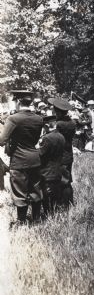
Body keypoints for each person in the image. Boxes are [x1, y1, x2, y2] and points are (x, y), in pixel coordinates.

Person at [0, 90, 44, 225]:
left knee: (20, 192)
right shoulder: (38, 118)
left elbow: (2, 140)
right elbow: (35, 139)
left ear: (18, 101)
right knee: (36, 190)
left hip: (19, 160)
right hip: (35, 159)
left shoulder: (13, 118)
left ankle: (21, 222)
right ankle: (37, 220)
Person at [49, 97, 76, 207]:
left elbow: (54, 137)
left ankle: (64, 204)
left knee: (63, 181)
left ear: (58, 111)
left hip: (60, 156)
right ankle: (68, 203)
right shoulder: (72, 122)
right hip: (68, 154)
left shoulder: (60, 124)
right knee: (67, 179)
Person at [38, 115, 65, 216]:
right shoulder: (61, 136)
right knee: (55, 194)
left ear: (47, 125)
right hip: (57, 170)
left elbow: (41, 154)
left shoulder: (47, 138)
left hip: (46, 171)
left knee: (46, 195)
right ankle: (55, 213)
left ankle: (47, 214)